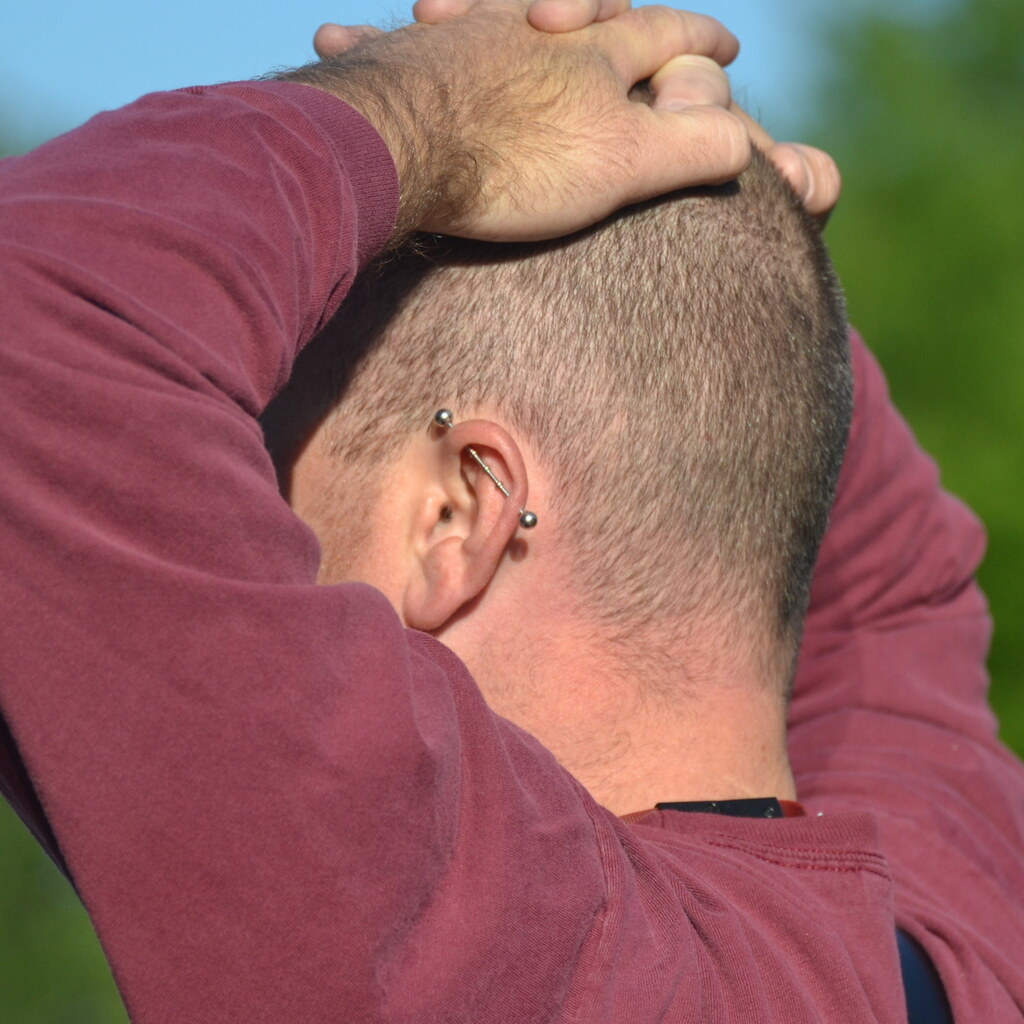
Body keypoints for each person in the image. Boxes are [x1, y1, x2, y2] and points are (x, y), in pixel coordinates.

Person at [0, 2, 1019, 1021]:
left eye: (258, 479)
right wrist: (716, 208)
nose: (226, 538)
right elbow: (884, 588)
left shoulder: (453, 952)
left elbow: (35, 324)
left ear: (460, 511)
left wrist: (427, 113)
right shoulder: (955, 941)